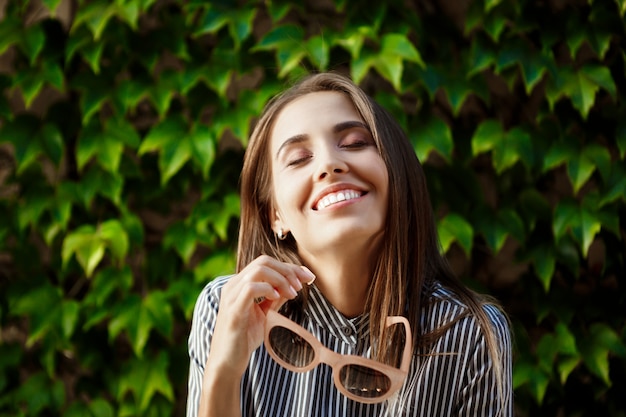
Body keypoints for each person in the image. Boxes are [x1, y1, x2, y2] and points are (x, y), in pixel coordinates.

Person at [186, 72, 513, 417]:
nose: (329, 164)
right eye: (298, 159)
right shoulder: (229, 308)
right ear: (275, 216)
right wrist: (223, 370)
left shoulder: (470, 332)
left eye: (355, 143)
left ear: (396, 171)